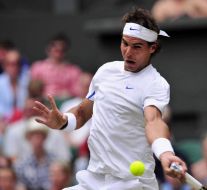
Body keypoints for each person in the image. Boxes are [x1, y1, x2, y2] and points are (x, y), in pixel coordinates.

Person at [33, 8, 187, 190]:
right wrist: (64, 121)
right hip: (94, 177)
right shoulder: (106, 71)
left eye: (137, 47)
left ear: (152, 48)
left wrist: (165, 153)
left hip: (133, 183)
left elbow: (153, 121)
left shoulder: (156, 84)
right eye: (125, 43)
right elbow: (82, 113)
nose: (128, 52)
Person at [30, 33, 82, 100]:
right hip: (43, 102)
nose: (59, 49)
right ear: (48, 49)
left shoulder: (74, 70)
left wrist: (69, 93)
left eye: (62, 49)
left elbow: (79, 91)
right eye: (55, 48)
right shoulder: (38, 67)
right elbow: (32, 90)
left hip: (66, 103)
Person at [14, 118, 55, 190]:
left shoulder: (54, 160)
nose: (38, 140)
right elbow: (19, 184)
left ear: (45, 138)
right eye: (34, 136)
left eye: (40, 136)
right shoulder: (21, 162)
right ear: (28, 138)